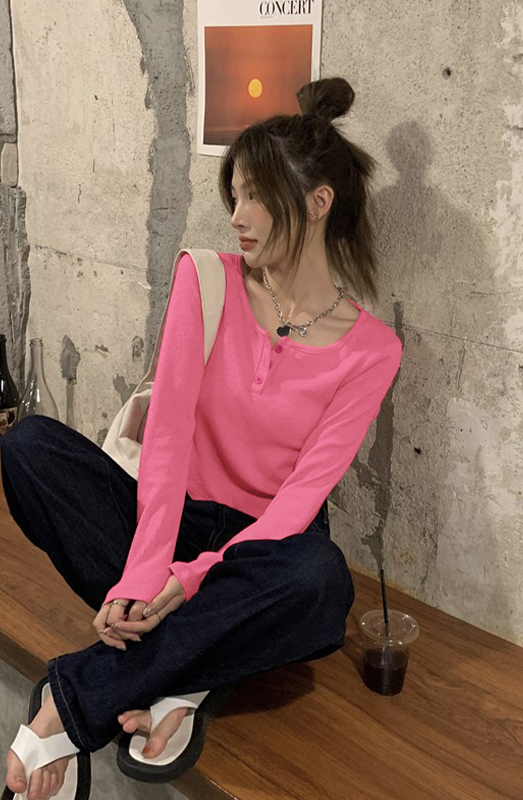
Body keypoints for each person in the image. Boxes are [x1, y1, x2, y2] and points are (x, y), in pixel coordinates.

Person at [0, 76, 402, 800]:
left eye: (255, 197)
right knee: (27, 447)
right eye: (234, 195)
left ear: (318, 202)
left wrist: (189, 580)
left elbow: (298, 502)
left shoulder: (373, 350)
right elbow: (166, 443)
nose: (236, 216)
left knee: (321, 581)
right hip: (168, 519)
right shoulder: (206, 278)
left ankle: (78, 694)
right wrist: (143, 574)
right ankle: (185, 676)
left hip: (262, 552)